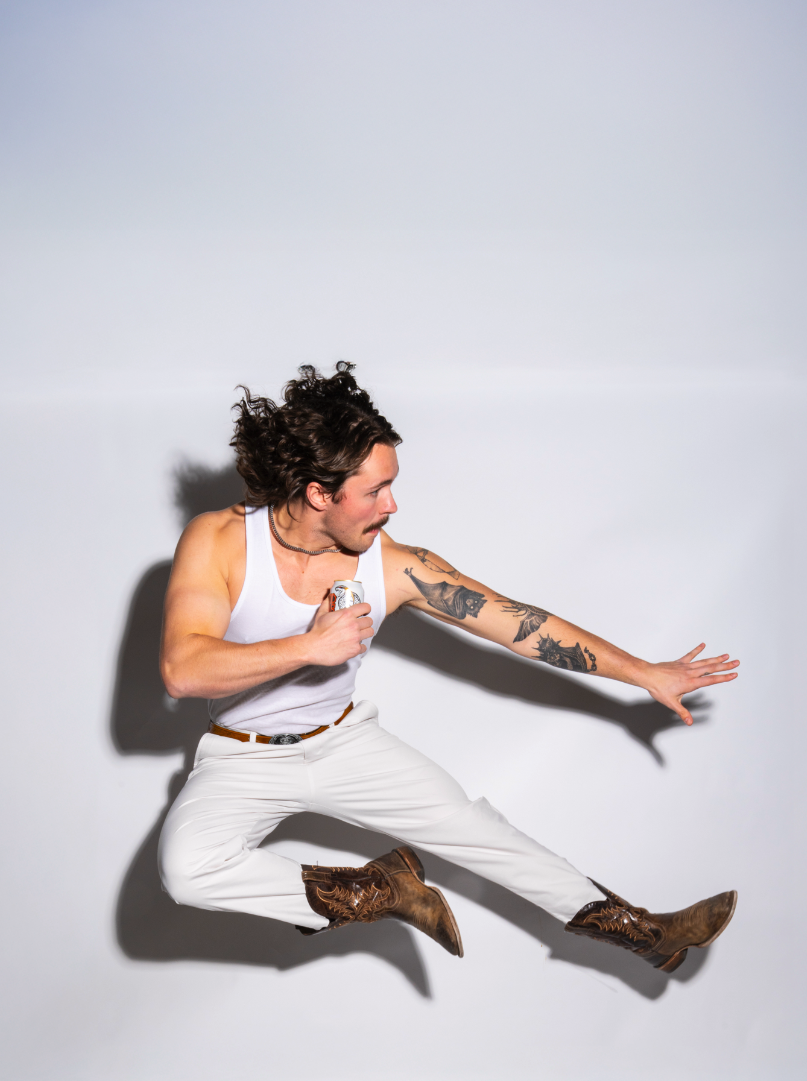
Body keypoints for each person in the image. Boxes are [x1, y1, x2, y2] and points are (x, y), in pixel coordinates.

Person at [158, 363, 738, 973]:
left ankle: (644, 932)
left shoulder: (393, 566)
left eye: (392, 485)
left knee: (480, 832)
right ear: (319, 493)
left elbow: (521, 624)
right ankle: (380, 890)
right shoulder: (220, 540)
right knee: (187, 868)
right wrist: (308, 646)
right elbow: (183, 668)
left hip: (344, 744)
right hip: (242, 755)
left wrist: (644, 672)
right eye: (375, 491)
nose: (392, 504)